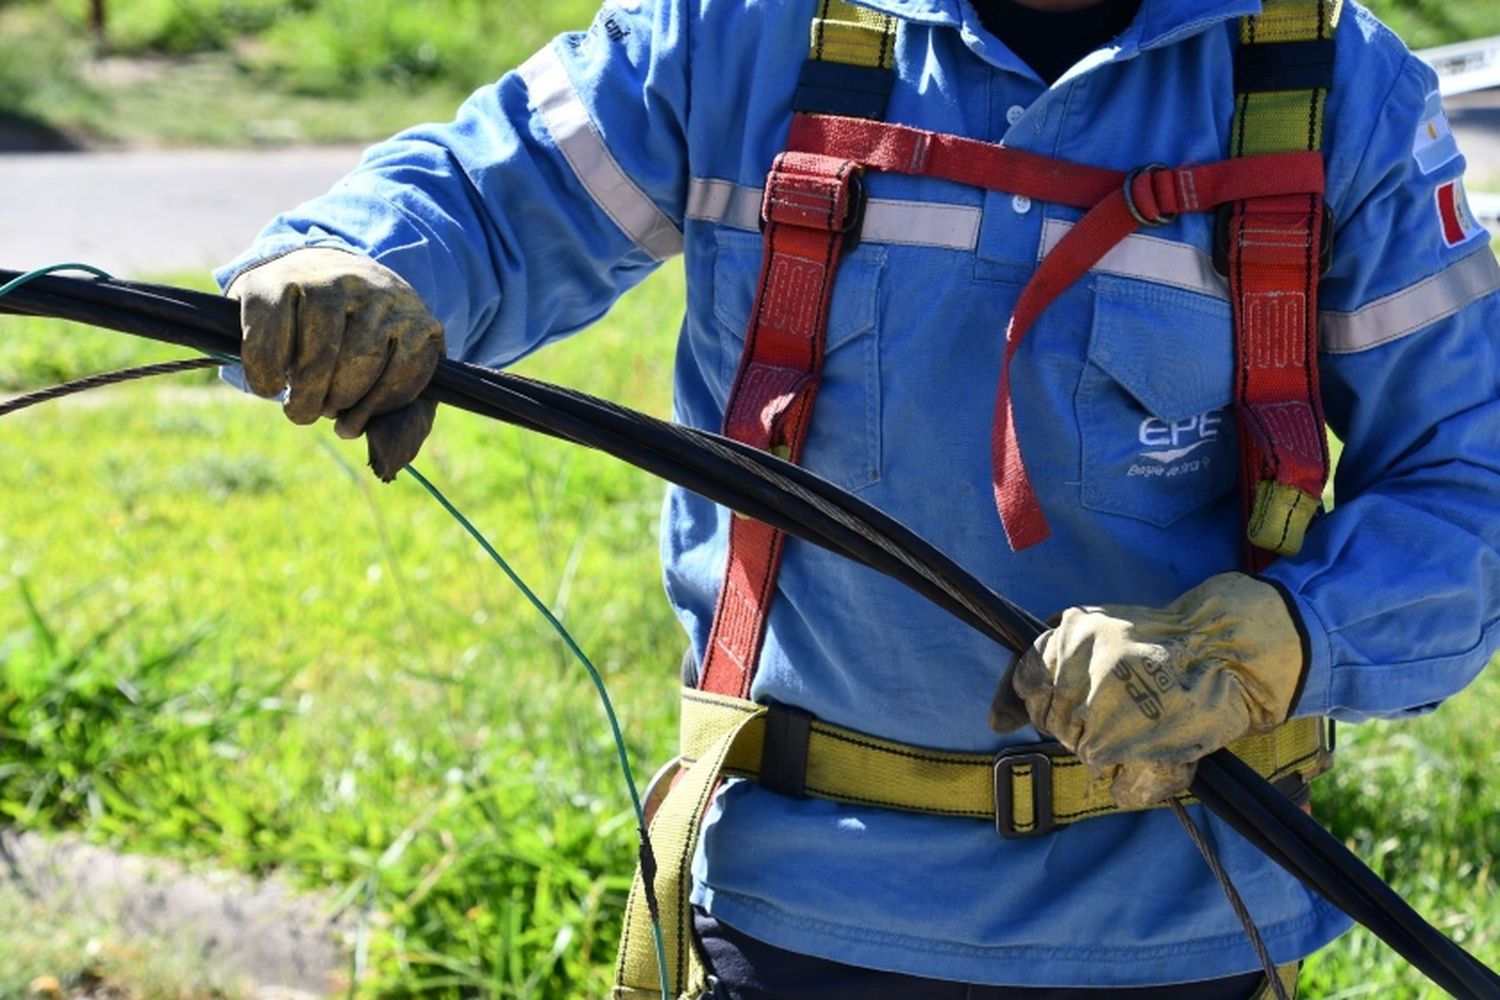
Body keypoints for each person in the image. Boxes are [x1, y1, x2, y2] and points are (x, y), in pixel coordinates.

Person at [218, 0, 1500, 996]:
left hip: (1178, 923)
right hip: (801, 907)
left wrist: (1273, 642)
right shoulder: (741, 36)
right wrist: (350, 261)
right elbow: (483, 198)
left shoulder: (1335, 91)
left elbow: (1469, 487)